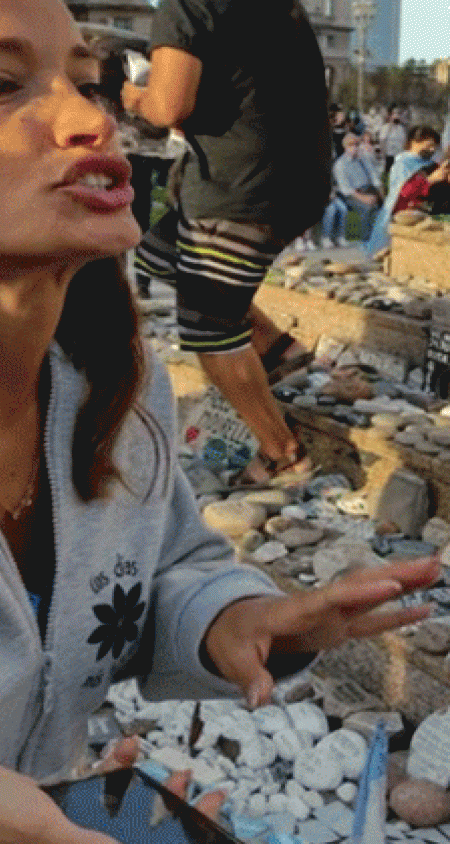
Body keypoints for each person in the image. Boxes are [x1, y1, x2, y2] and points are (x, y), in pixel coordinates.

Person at [0, 2, 439, 844]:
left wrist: (233, 622)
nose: (95, 118)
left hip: (62, 835)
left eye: (89, 82)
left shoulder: (115, 401)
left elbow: (164, 569)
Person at [123, 0, 332, 483]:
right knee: (160, 254)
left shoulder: (187, 5)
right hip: (296, 177)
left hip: (237, 186)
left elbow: (169, 107)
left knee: (209, 330)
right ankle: (277, 349)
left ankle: (282, 453)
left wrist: (135, 97)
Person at [365, 125, 440, 256]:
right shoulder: (403, 163)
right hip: (404, 210)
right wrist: (431, 180)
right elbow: (405, 191)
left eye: (434, 146)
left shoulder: (428, 163)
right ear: (414, 142)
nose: (432, 149)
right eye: (429, 145)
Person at [332, 132, 382, 243]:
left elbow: (373, 176)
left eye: (356, 144)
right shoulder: (340, 164)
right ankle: (366, 240)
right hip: (352, 194)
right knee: (367, 208)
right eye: (351, 145)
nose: (354, 147)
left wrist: (380, 191)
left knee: (383, 208)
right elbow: (346, 189)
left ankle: (380, 238)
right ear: (345, 147)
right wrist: (364, 198)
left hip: (368, 189)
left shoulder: (363, 159)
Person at [376, 110, 407, 177]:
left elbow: (404, 141)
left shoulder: (401, 128)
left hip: (398, 155)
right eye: (394, 114)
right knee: (388, 174)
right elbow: (382, 141)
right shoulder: (385, 127)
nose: (396, 116)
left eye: (398, 115)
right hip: (388, 155)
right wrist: (383, 153)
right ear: (390, 116)